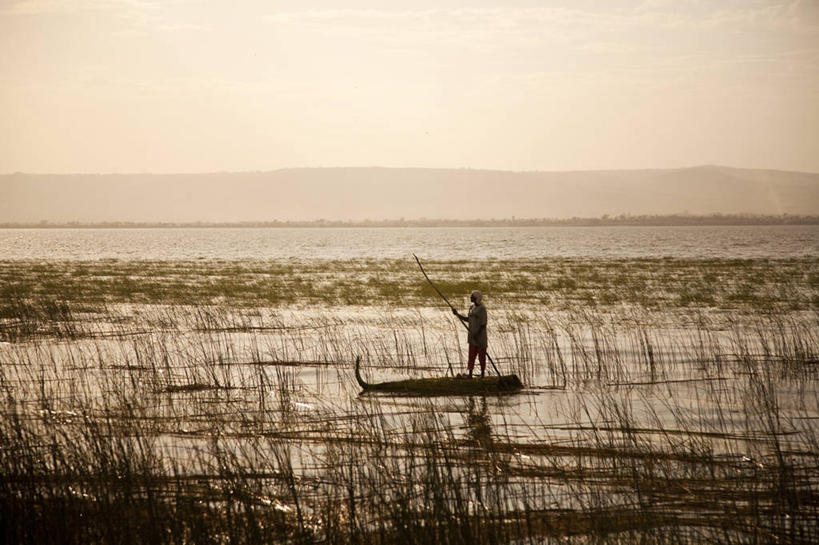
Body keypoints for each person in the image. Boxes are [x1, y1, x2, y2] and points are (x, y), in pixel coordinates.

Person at [452, 290, 488, 378]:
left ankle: (482, 374)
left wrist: (477, 334)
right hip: (472, 337)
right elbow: (468, 319)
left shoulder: (482, 309)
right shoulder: (471, 307)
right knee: (471, 356)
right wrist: (457, 314)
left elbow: (483, 324)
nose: (470, 298)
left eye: (472, 297)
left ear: (477, 298)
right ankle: (470, 374)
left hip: (480, 337)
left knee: (481, 356)